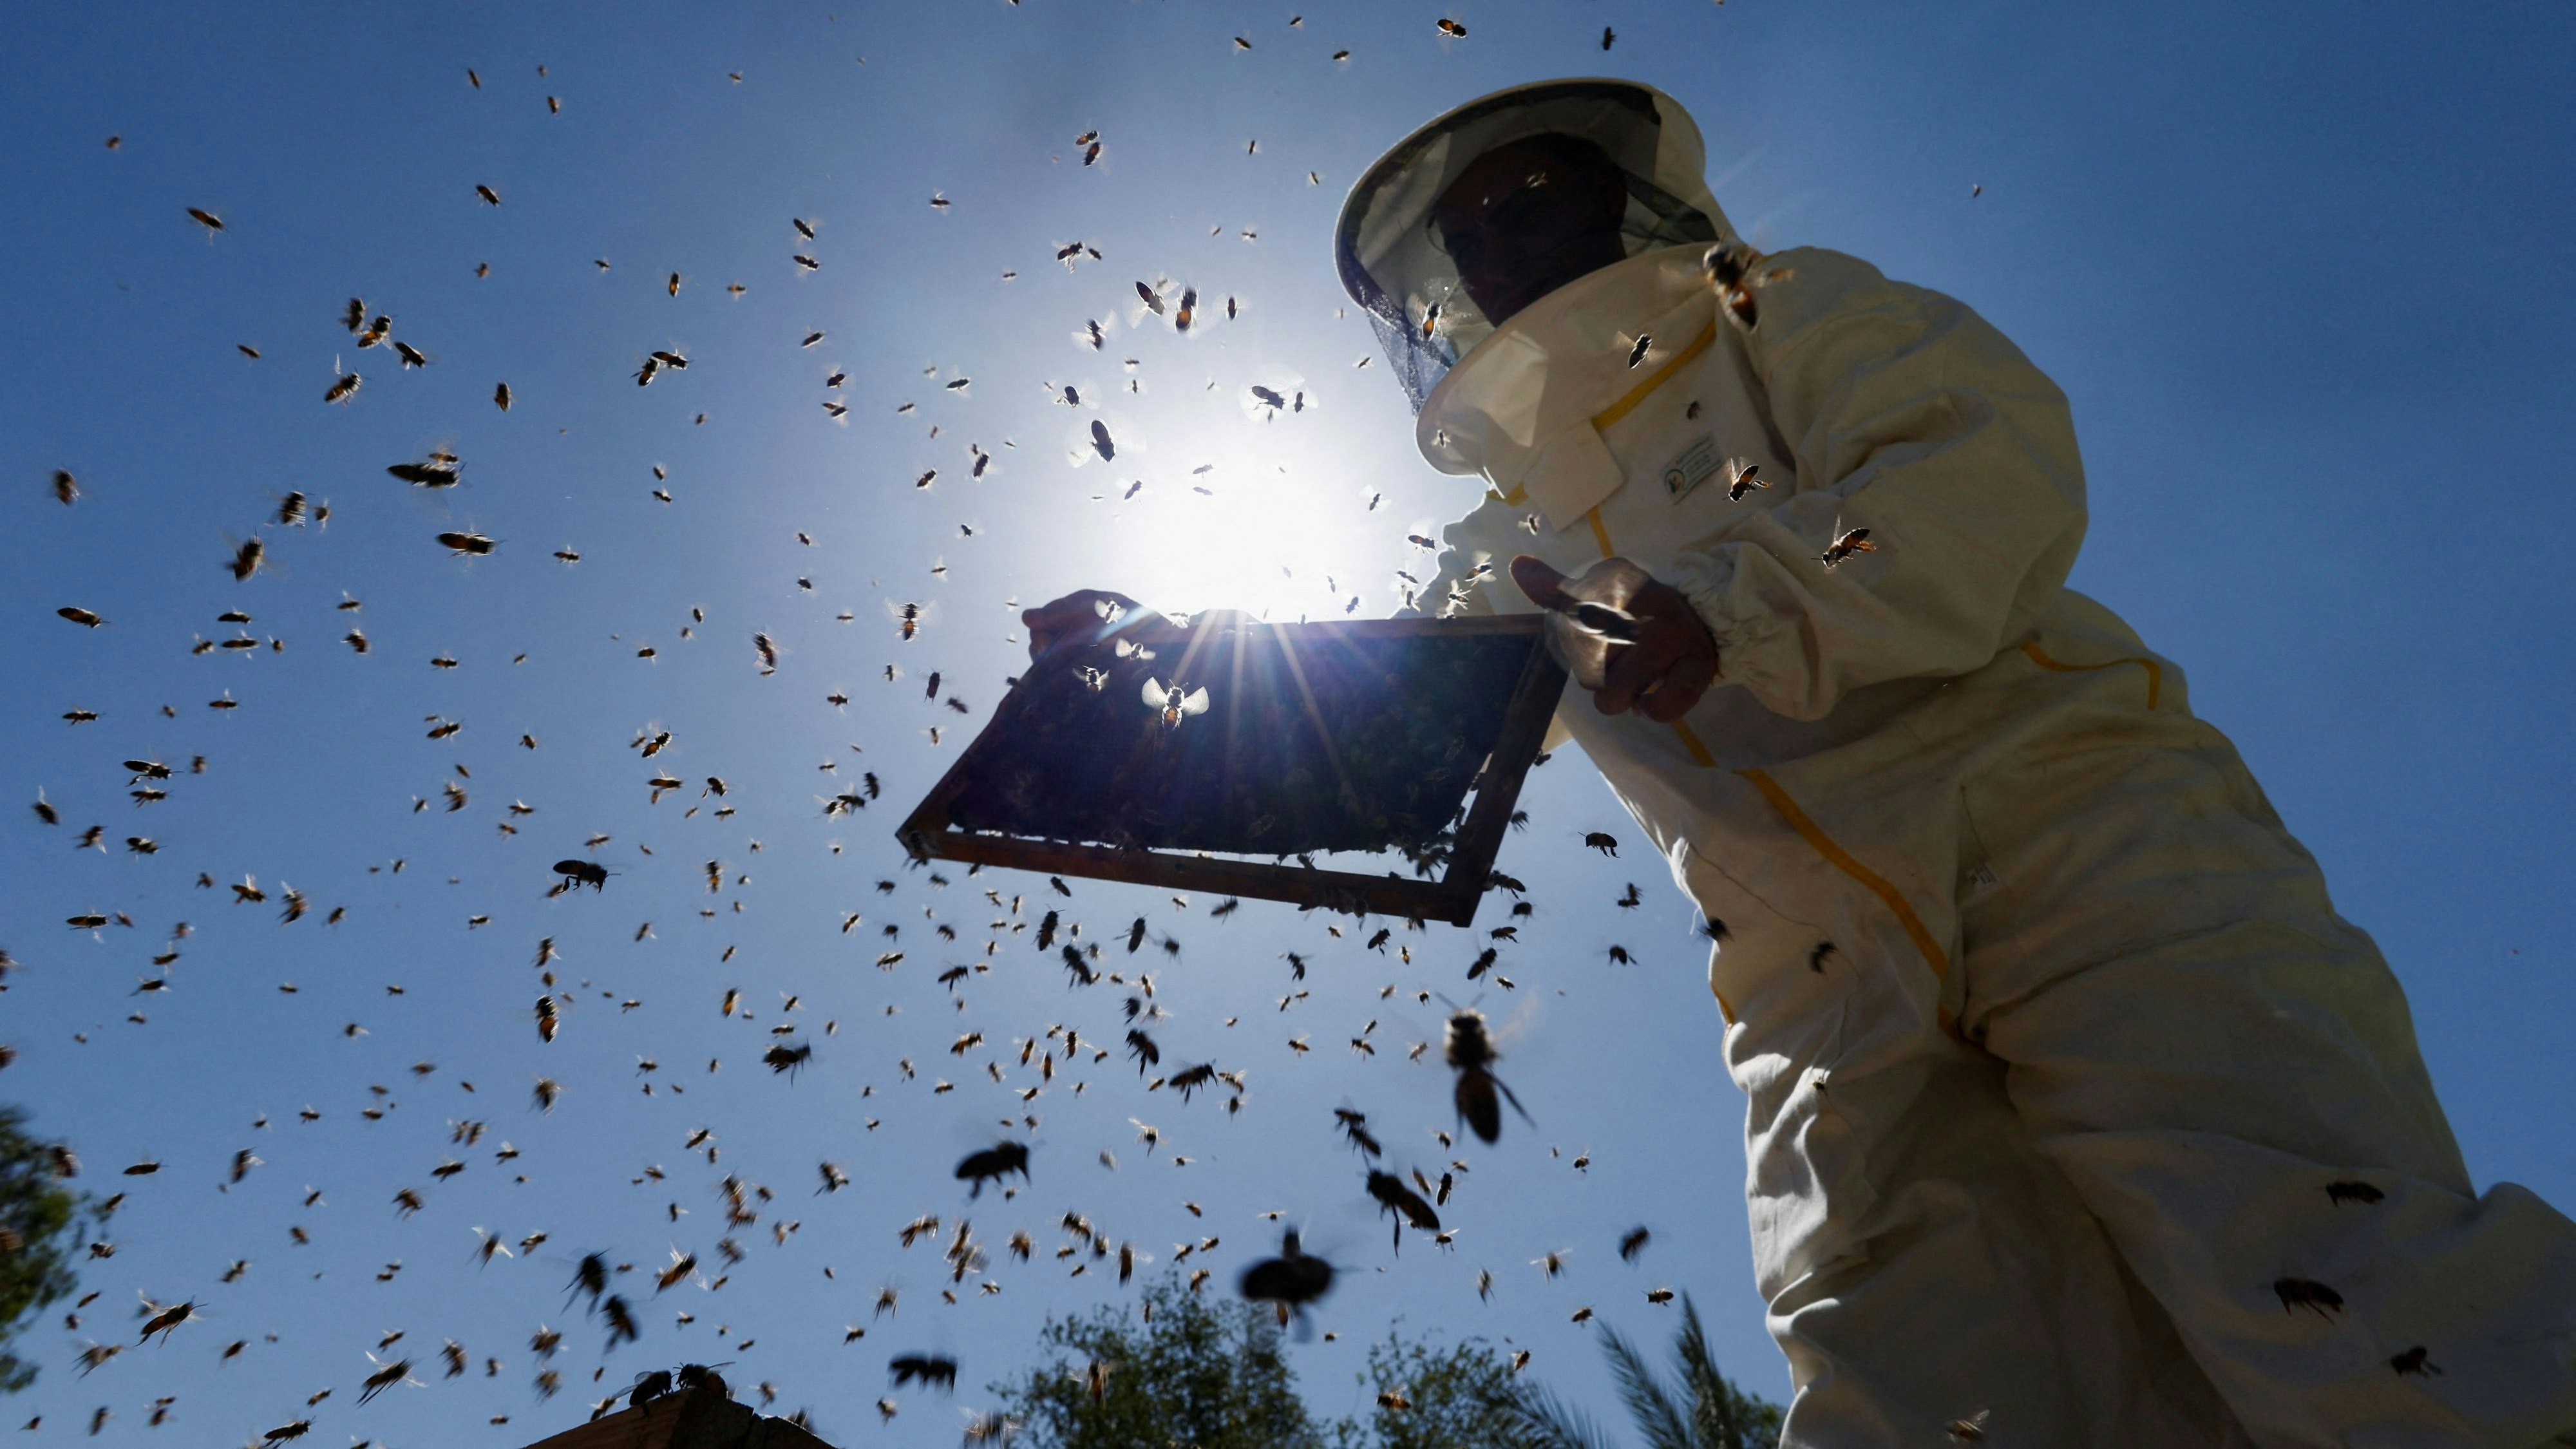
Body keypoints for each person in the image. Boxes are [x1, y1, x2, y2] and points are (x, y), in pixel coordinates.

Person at [1025, 79, 2576, 1445]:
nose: (1501, 243)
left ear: (1609, 195)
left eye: (1529, 197)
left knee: (2337, 1286)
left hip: (2069, 826)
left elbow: (1988, 459)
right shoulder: (1495, 549)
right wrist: (1158, 699)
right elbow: (1378, 731)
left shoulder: (1783, 312)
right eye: (1471, 233)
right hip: (1807, 979)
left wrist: (1726, 606)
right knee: (1919, 1392)